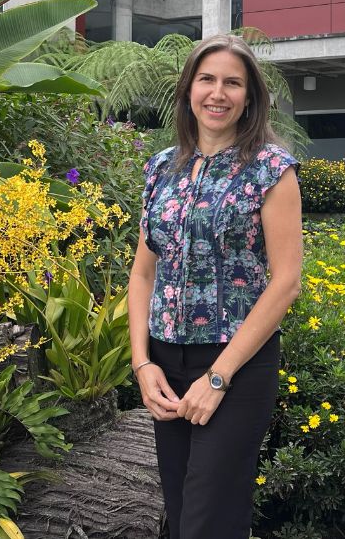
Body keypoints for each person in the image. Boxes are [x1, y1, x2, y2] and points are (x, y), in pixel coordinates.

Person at [127, 33, 303, 539]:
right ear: (188, 90)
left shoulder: (272, 170)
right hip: (164, 363)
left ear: (249, 98)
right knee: (183, 514)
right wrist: (142, 364)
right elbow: (143, 272)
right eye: (207, 80)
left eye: (233, 82)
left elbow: (286, 282)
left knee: (210, 520)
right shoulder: (161, 169)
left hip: (237, 365)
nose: (217, 93)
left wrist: (219, 377)